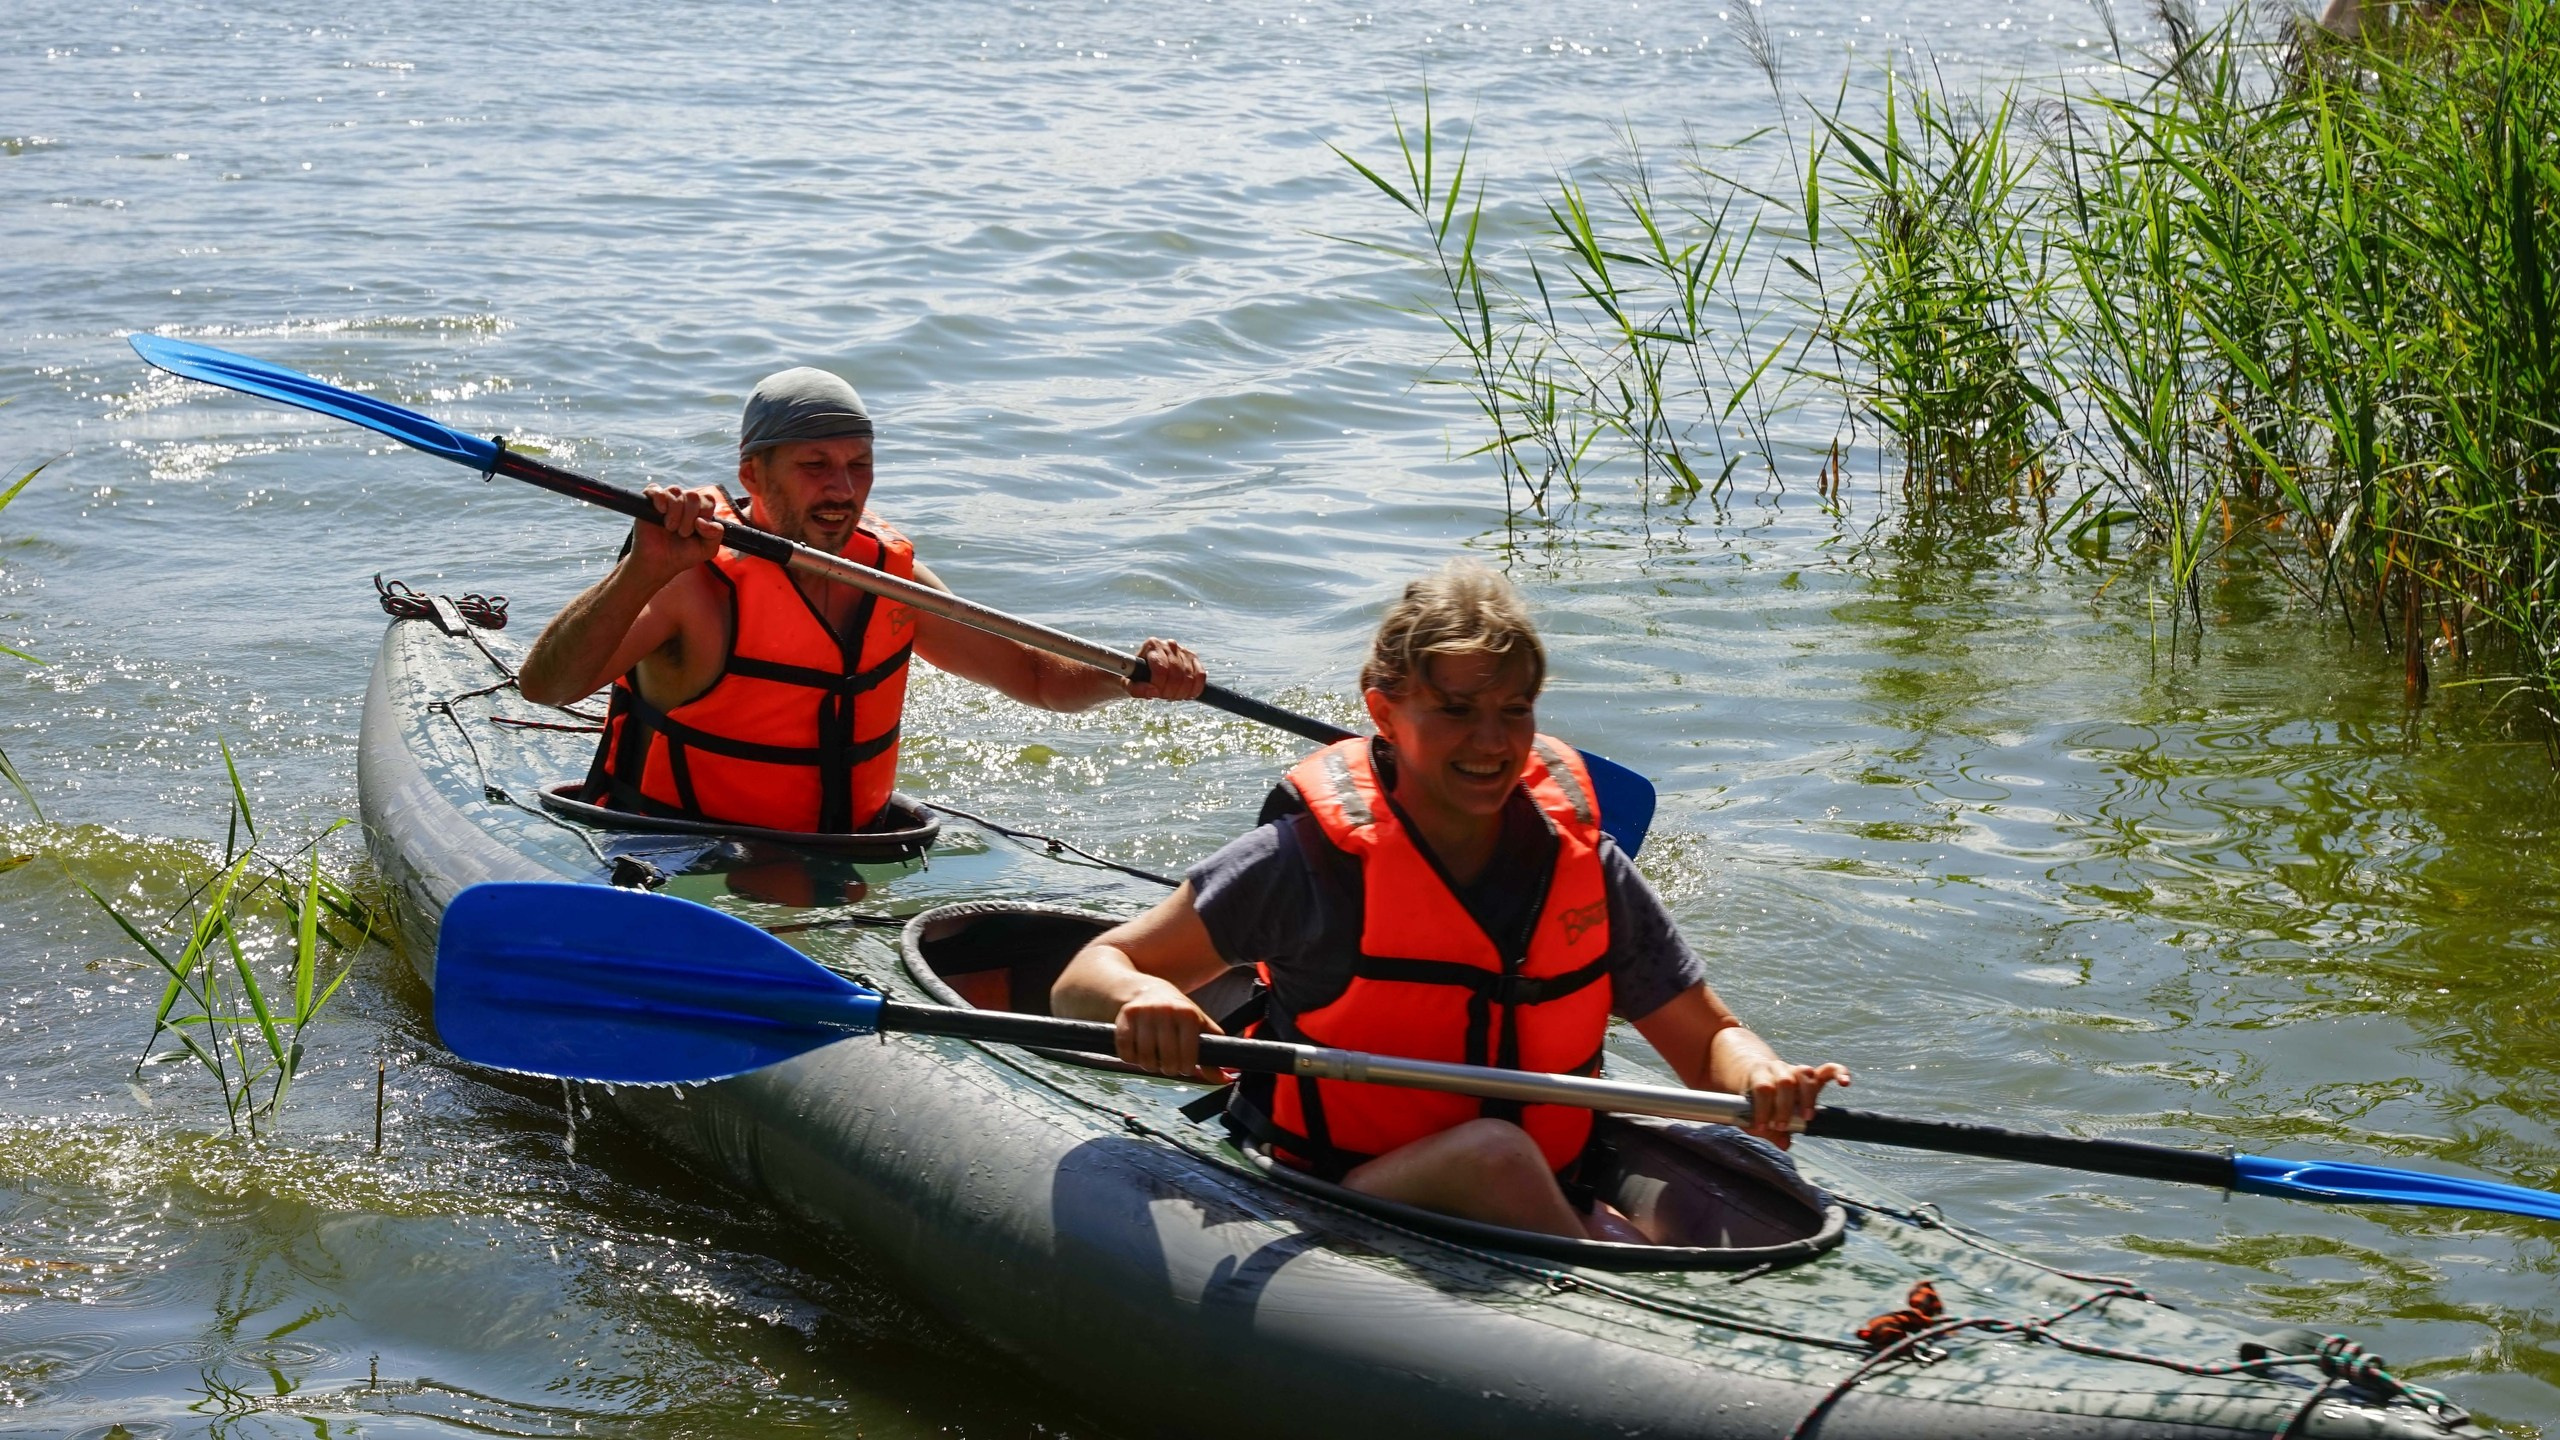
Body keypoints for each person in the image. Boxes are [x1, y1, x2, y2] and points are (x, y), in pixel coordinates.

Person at [1052, 559, 1848, 1242]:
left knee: (1731, 1167)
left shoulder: (1586, 866)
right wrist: (1140, 998)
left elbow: (1706, 1041)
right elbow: (1087, 975)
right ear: (1383, 713)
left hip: (1535, 1190)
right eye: (1456, 710)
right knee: (1493, 1155)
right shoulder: (1308, 866)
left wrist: (1761, 1075)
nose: (1492, 742)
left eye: (1514, 712)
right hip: (1331, 1190)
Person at [518, 367, 1206, 833]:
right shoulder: (688, 584)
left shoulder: (889, 580)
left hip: (845, 857)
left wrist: (1132, 677)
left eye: (859, 466)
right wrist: (641, 570)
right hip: (676, 851)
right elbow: (546, 687)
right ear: (753, 474)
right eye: (815, 467)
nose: (843, 490)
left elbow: (1036, 677)